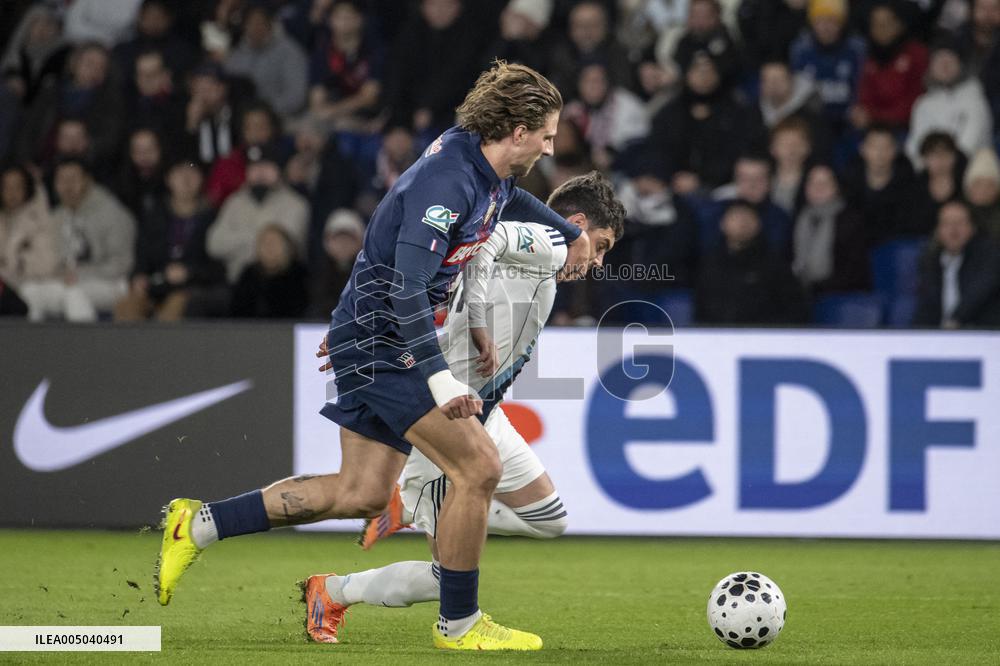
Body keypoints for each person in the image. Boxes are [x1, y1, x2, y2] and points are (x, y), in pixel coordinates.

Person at [154, 61, 591, 652]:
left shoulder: (480, 162)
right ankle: (459, 626)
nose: (550, 143)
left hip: (369, 337)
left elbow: (497, 203)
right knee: (480, 467)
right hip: (386, 346)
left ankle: (199, 524)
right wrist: (438, 380)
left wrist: (567, 229)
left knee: (358, 493)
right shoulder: (450, 183)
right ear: (516, 129)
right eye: (546, 132)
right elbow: (406, 287)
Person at [300, 171, 624, 643]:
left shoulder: (537, 261)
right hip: (446, 419)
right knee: (448, 574)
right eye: (602, 246)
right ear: (576, 223)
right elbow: (487, 242)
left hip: (485, 415)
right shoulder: (545, 239)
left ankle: (406, 507)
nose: (597, 261)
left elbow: (457, 261)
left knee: (550, 519)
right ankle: (332, 591)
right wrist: (470, 320)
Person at [695, 200, 808, 325]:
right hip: (717, 337)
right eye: (736, 217)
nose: (742, 223)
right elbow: (701, 309)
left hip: (765, 337)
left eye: (748, 217)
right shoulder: (711, 264)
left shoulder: (775, 264)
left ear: (758, 224)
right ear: (722, 224)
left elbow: (794, 310)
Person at [913, 199, 1000, 327]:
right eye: (946, 223)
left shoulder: (989, 255)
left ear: (972, 227)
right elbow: (927, 305)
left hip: (981, 333)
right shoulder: (930, 261)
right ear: (938, 230)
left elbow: (978, 293)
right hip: (941, 336)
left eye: (959, 223)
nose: (953, 230)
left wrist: (955, 319)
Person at [230, 225, 310, 318]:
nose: (269, 247)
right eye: (264, 243)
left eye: (275, 243)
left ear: (287, 247)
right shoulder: (249, 274)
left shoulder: (299, 275)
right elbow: (236, 311)